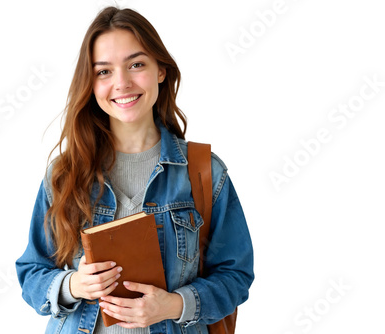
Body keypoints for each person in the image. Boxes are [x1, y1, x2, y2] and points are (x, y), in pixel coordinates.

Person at [16, 6, 254, 334]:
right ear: (91, 83)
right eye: (104, 71)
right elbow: (32, 271)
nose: (122, 83)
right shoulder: (65, 173)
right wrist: (74, 286)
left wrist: (174, 304)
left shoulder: (204, 172)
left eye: (136, 64)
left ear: (160, 70)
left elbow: (236, 276)